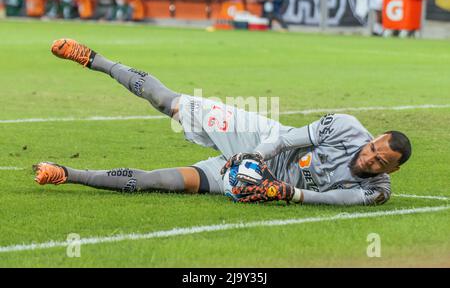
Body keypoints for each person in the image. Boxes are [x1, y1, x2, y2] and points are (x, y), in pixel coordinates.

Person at [34, 39, 412, 206]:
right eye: (374, 149)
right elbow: (287, 141)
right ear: (374, 138)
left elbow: (331, 200)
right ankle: (94, 59)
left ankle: (65, 173)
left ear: (393, 169)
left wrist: (282, 192)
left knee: (158, 183)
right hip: (260, 140)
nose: (371, 159)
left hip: (262, 182)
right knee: (169, 102)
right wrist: (253, 158)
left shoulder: (376, 191)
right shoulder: (346, 127)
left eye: (381, 161)